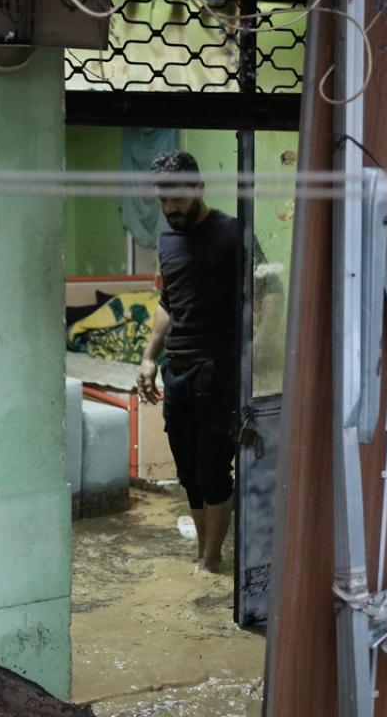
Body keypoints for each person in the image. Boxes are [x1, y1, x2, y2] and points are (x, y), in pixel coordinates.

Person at [136, 150, 241, 574]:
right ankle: (203, 552)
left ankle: (212, 560)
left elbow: (268, 295)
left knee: (212, 470)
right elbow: (169, 301)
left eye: (177, 198)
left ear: (199, 188)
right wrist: (148, 357)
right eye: (163, 200)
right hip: (176, 369)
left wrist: (252, 357)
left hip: (216, 371)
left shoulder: (232, 232)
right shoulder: (168, 237)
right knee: (188, 472)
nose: (170, 208)